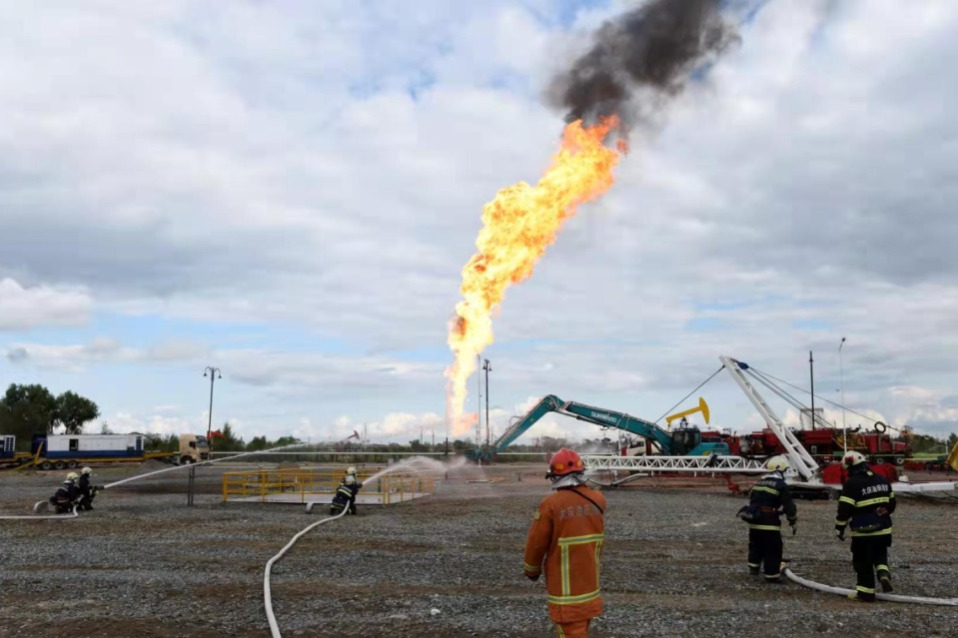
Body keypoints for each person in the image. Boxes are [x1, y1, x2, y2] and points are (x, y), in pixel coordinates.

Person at [523, 448, 606, 638]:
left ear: (554, 476)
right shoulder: (598, 500)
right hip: (590, 590)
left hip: (566, 595)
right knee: (582, 630)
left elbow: (536, 543)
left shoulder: (551, 504)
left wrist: (531, 570)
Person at [835, 450, 896, 602]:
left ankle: (866, 593)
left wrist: (839, 528)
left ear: (850, 467)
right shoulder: (882, 479)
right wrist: (882, 511)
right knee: (880, 552)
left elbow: (844, 510)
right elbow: (892, 504)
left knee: (863, 561)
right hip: (883, 528)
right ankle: (883, 572)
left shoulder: (851, 484)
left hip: (863, 532)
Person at [739, 455, 797, 583]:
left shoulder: (759, 482)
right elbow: (789, 506)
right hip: (769, 522)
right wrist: (793, 520)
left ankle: (753, 569)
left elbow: (756, 501)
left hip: (754, 520)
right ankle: (772, 576)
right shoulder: (780, 485)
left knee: (756, 545)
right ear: (780, 470)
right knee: (773, 548)